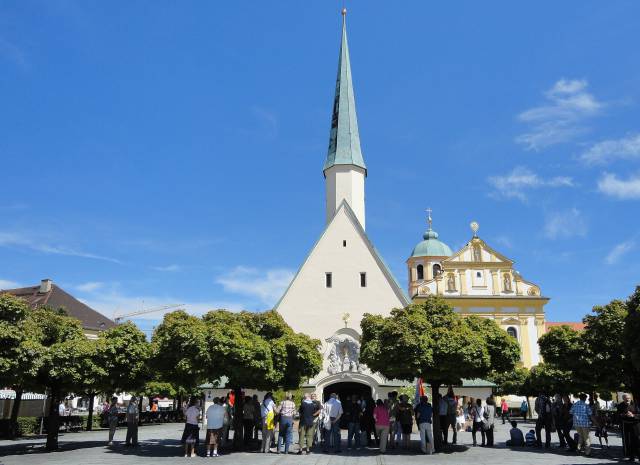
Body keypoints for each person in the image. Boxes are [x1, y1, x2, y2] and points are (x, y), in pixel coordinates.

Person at [617, 393, 639, 462]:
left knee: (637, 440)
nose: (627, 400)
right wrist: (623, 415)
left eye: (628, 398)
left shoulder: (636, 404)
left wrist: (633, 415)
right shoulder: (620, 405)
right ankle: (631, 456)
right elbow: (618, 415)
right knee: (628, 441)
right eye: (626, 399)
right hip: (625, 425)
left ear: (630, 398)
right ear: (623, 399)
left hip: (635, 425)